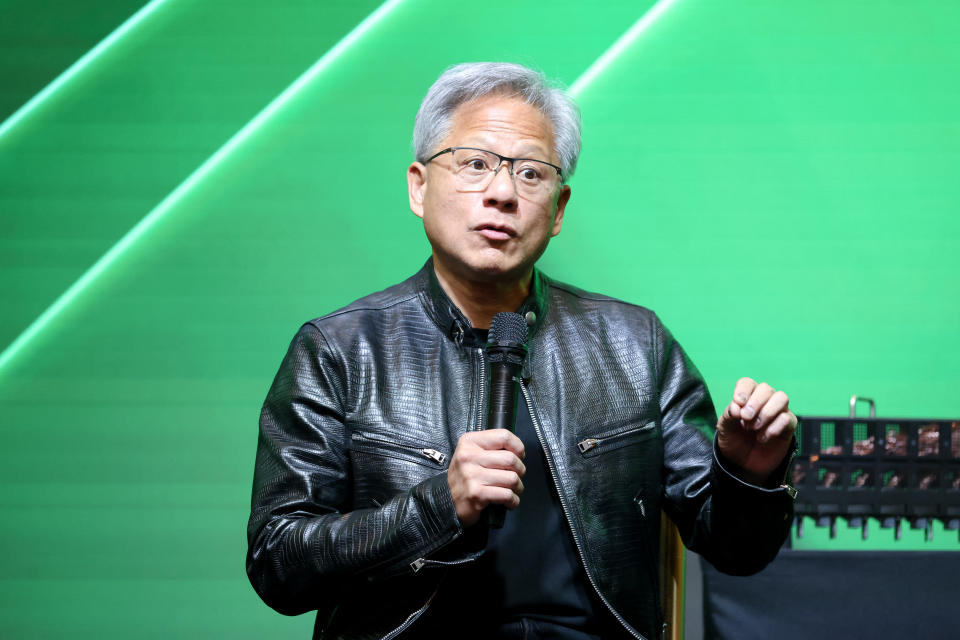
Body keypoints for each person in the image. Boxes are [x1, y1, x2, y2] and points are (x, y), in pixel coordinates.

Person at [246, 62, 798, 640]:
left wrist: (749, 473)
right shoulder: (339, 351)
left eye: (531, 173)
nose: (503, 192)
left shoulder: (636, 344)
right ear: (419, 185)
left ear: (558, 210)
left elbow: (737, 551)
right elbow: (278, 564)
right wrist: (439, 504)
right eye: (476, 163)